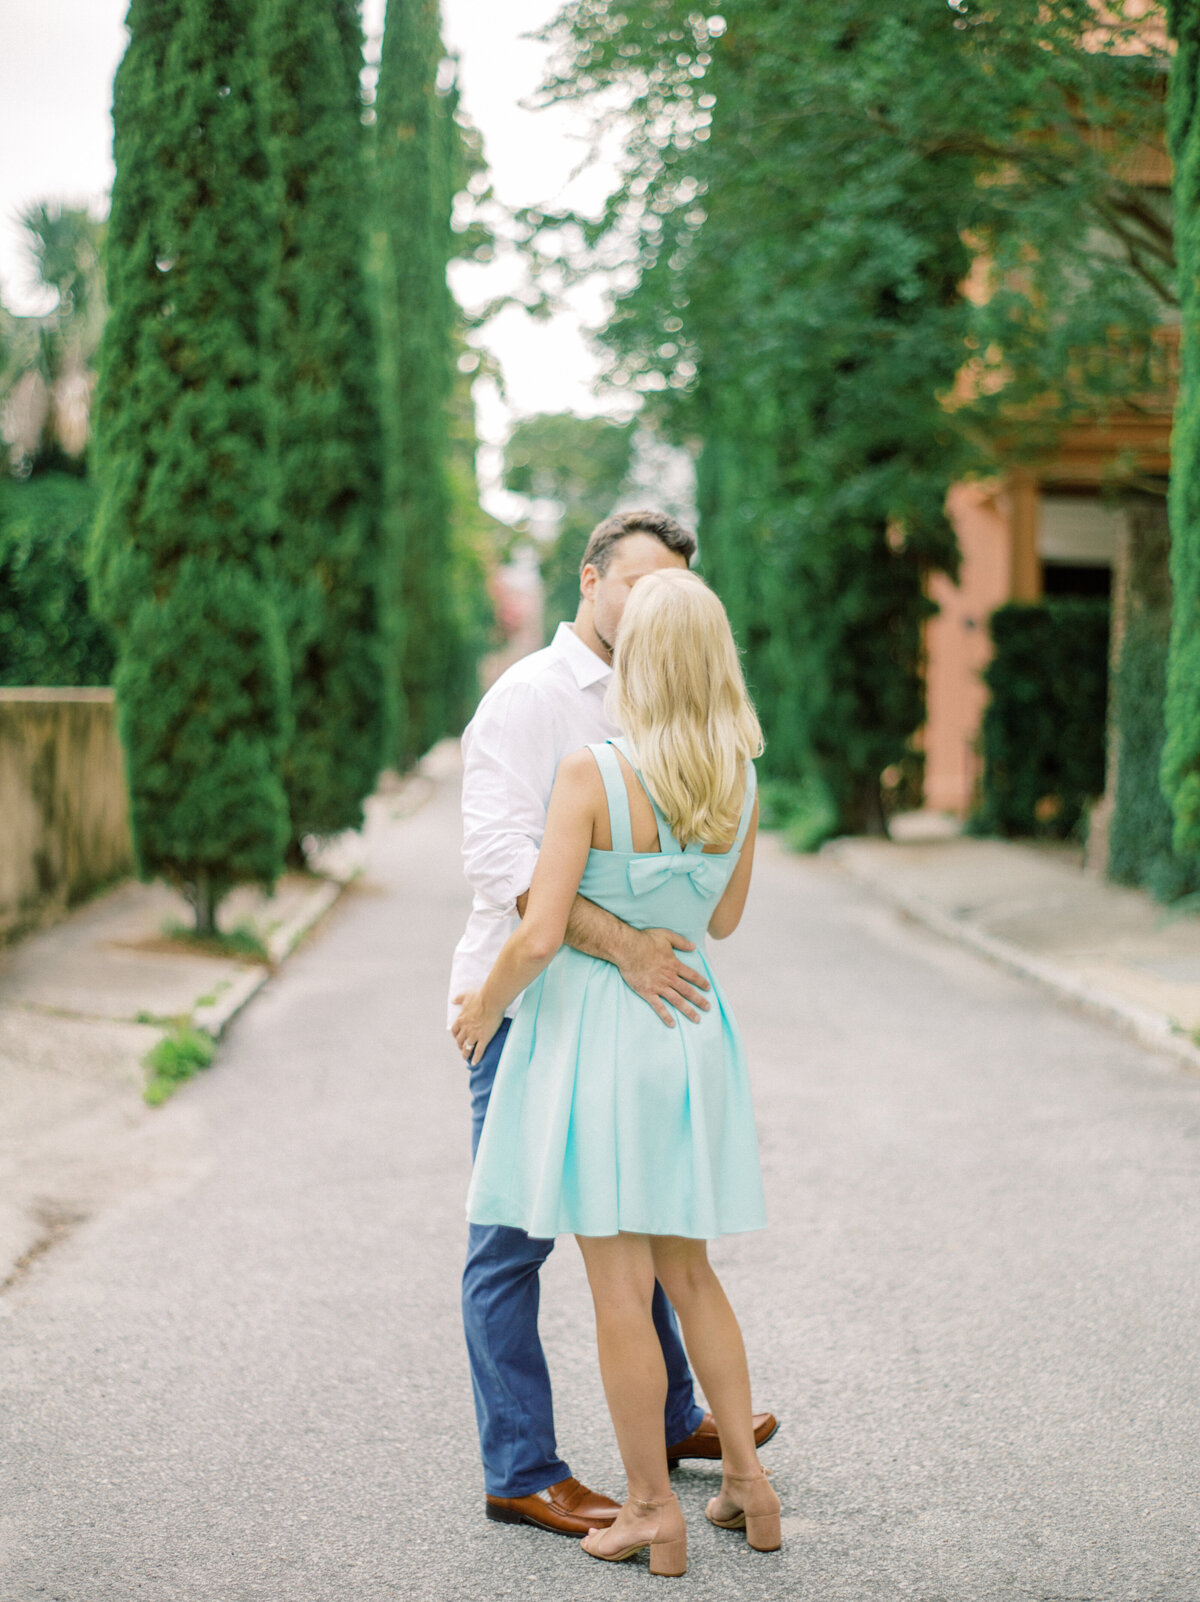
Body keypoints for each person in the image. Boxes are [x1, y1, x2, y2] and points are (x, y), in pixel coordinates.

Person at [450, 511, 777, 1539]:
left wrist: (486, 999)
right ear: (593, 581)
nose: (643, 605)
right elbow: (717, 916)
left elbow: (538, 925)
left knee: (621, 1283)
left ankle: (652, 1498)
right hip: (674, 1029)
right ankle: (556, 1468)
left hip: (589, 1028)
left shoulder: (602, 763)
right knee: (643, 1263)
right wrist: (642, 936)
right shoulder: (535, 707)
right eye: (635, 583)